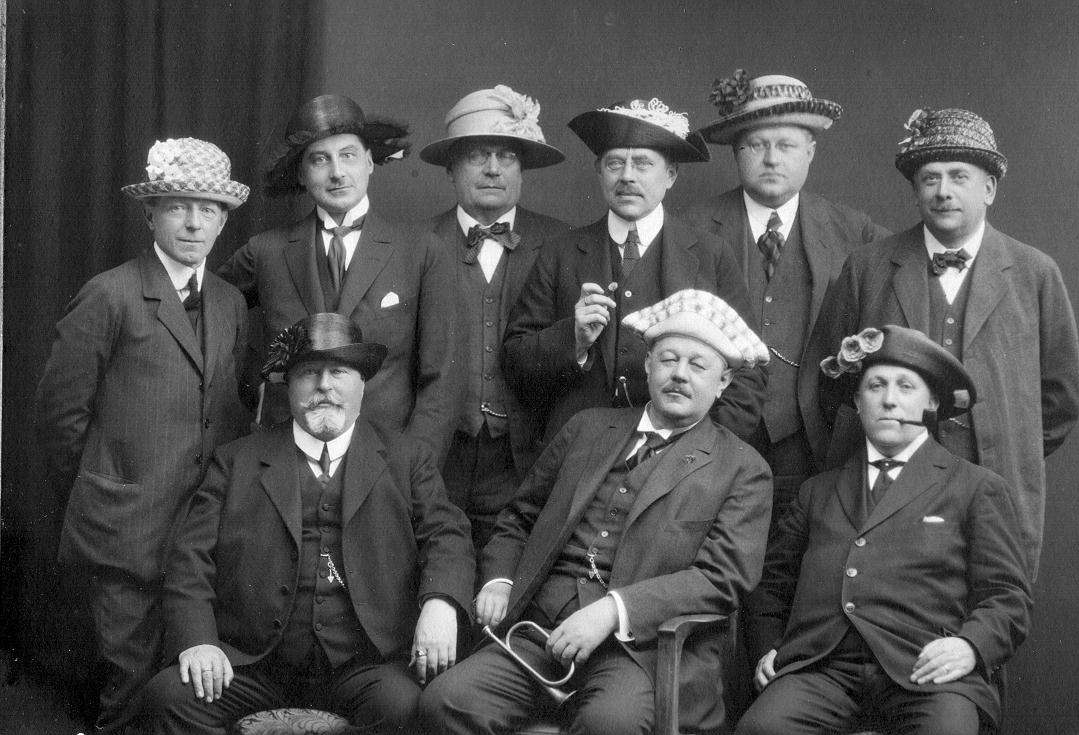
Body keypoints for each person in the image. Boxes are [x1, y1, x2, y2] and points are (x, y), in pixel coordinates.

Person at [421, 290, 774, 735]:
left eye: (698, 366)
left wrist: (612, 610)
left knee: (609, 725)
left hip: (641, 652)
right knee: (445, 702)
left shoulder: (742, 469)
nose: (679, 375)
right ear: (648, 364)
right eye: (668, 360)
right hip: (536, 631)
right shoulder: (587, 428)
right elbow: (519, 517)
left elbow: (721, 579)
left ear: (723, 382)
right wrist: (500, 579)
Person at [141, 313, 475, 734]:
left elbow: (448, 536)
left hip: (363, 666)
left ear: (363, 384)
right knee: (169, 697)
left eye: (339, 372)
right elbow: (190, 559)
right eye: (309, 373)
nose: (324, 386)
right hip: (255, 665)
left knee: (407, 708)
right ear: (289, 386)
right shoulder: (236, 460)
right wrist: (199, 641)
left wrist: (440, 603)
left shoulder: (407, 460)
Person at [34, 137, 251, 733]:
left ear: (224, 221)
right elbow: (58, 419)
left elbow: (224, 411)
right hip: (123, 538)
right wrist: (106, 490)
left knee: (184, 697)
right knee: (127, 693)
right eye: (178, 206)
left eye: (208, 209)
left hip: (200, 542)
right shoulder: (110, 294)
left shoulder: (230, 302)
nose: (193, 222)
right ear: (150, 215)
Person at [815, 108, 1079, 575]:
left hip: (997, 484)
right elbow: (830, 383)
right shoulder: (868, 267)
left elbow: (1061, 399)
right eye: (930, 178)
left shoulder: (1035, 273)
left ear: (989, 188)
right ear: (916, 190)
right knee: (884, 599)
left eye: (959, 176)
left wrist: (1007, 444)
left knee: (990, 602)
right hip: (887, 487)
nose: (943, 191)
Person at [738, 325, 1032, 735]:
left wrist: (969, 646)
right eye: (876, 386)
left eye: (905, 386)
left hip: (925, 672)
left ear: (931, 402)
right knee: (761, 729)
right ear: (858, 403)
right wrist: (769, 647)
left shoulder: (976, 487)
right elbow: (771, 586)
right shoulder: (816, 491)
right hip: (821, 670)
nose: (889, 399)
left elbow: (1007, 596)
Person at [504, 97, 766, 448]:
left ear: (670, 175)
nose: (627, 176)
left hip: (681, 458)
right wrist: (574, 340)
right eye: (615, 163)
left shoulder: (710, 254)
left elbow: (749, 371)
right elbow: (516, 362)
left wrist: (702, 448)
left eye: (643, 164)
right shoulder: (560, 252)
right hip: (580, 452)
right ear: (599, 171)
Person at [686, 72, 889, 518]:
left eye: (787, 145)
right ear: (736, 152)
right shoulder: (691, 229)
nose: (772, 158)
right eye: (756, 145)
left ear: (810, 152)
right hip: (712, 435)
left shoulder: (855, 232)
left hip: (814, 442)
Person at [218, 94, 460, 461]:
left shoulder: (422, 251)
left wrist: (412, 467)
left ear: (369, 162)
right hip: (284, 461)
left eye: (348, 155)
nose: (336, 172)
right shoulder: (266, 251)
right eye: (320, 159)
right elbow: (205, 309)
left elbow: (442, 380)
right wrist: (260, 380)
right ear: (301, 174)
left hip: (384, 463)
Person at [420, 84, 572, 553]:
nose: (492, 168)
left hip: (526, 455)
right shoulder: (415, 244)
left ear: (522, 169)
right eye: (476, 156)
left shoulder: (563, 243)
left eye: (506, 156)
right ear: (450, 169)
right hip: (439, 454)